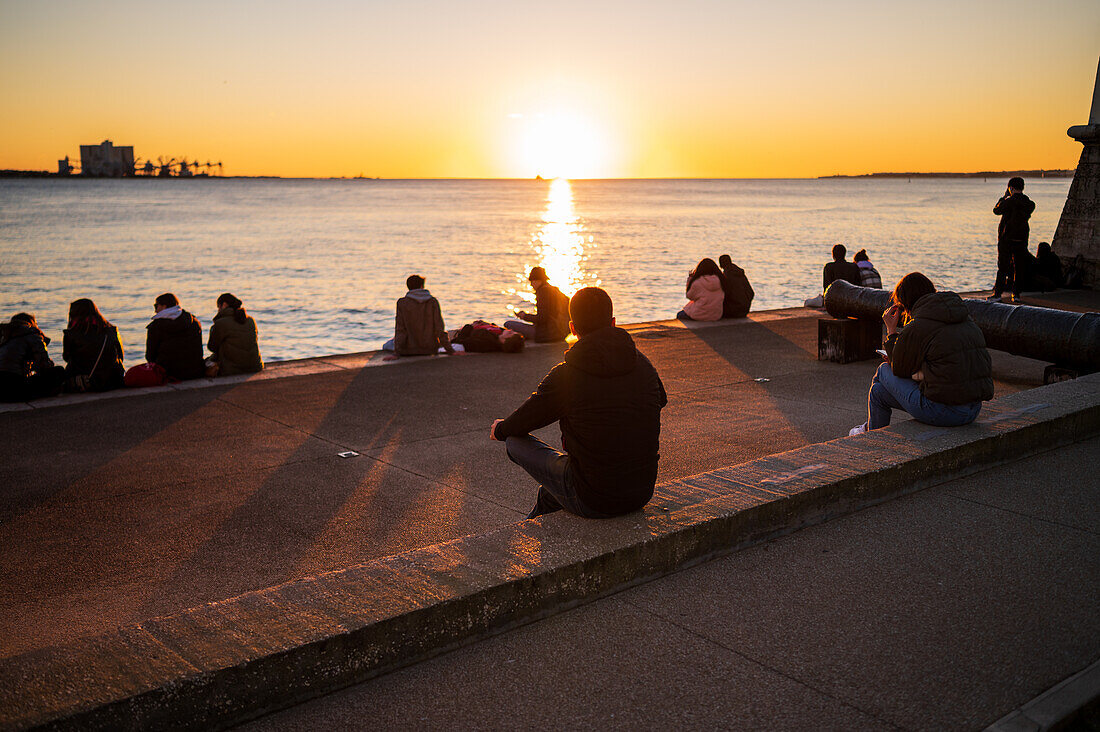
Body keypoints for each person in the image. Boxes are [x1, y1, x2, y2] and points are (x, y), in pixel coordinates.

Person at [490, 287, 667, 519]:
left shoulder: (567, 375)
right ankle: (535, 521)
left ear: (572, 328)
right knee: (550, 493)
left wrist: (500, 429)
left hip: (594, 498)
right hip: (642, 491)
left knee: (513, 441)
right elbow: (660, 400)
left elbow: (522, 422)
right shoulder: (642, 364)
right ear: (613, 322)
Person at [849, 272, 993, 435]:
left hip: (945, 412)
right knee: (878, 393)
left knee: (883, 370)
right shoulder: (964, 318)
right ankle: (871, 433)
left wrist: (891, 331)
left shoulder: (919, 325)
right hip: (973, 409)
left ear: (905, 301)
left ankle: (870, 433)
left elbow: (900, 369)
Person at [383, 274, 455, 359]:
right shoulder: (432, 302)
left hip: (408, 350)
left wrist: (396, 353)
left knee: (386, 345)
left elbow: (400, 330)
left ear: (408, 287)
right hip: (430, 349)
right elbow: (439, 328)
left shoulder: (402, 303)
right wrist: (450, 351)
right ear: (422, 286)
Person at [989, 177, 1035, 304]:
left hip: (1006, 238)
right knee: (1019, 267)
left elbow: (996, 210)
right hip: (1021, 238)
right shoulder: (1029, 203)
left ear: (1011, 188)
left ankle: (998, 294)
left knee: (1003, 266)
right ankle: (1016, 294)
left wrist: (1003, 197)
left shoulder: (1008, 201)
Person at [0, 313, 65, 402]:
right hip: (15, 389)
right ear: (32, 324)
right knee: (59, 371)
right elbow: (45, 365)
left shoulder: (4, 335)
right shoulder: (31, 333)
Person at [62, 298, 124, 392]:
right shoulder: (111, 331)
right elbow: (120, 356)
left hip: (84, 381)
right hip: (112, 381)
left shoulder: (70, 334)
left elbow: (66, 357)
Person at [145, 293, 205, 381]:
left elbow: (150, 356)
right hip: (195, 372)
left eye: (156, 306)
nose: (155, 311)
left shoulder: (156, 326)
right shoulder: (193, 321)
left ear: (164, 306)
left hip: (168, 373)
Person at [504, 267, 571, 343]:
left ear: (538, 281)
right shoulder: (555, 290)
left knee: (509, 324)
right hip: (561, 333)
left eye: (532, 282)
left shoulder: (543, 292)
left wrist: (524, 316)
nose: (531, 285)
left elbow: (542, 318)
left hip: (546, 335)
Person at [207, 293, 264, 376]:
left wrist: (213, 329)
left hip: (232, 370)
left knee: (208, 362)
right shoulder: (251, 320)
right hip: (255, 366)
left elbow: (212, 347)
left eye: (218, 307)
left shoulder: (221, 323)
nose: (218, 310)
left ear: (224, 305)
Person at [451, 320, 525, 353]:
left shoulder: (485, 343)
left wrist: (470, 326)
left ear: (504, 341)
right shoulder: (497, 338)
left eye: (511, 333)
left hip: (460, 337)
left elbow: (460, 340)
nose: (510, 330)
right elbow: (501, 330)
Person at [718, 254, 754, 318]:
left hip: (733, 311)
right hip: (745, 310)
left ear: (721, 264)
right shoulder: (740, 273)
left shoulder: (727, 275)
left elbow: (726, 294)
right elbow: (751, 292)